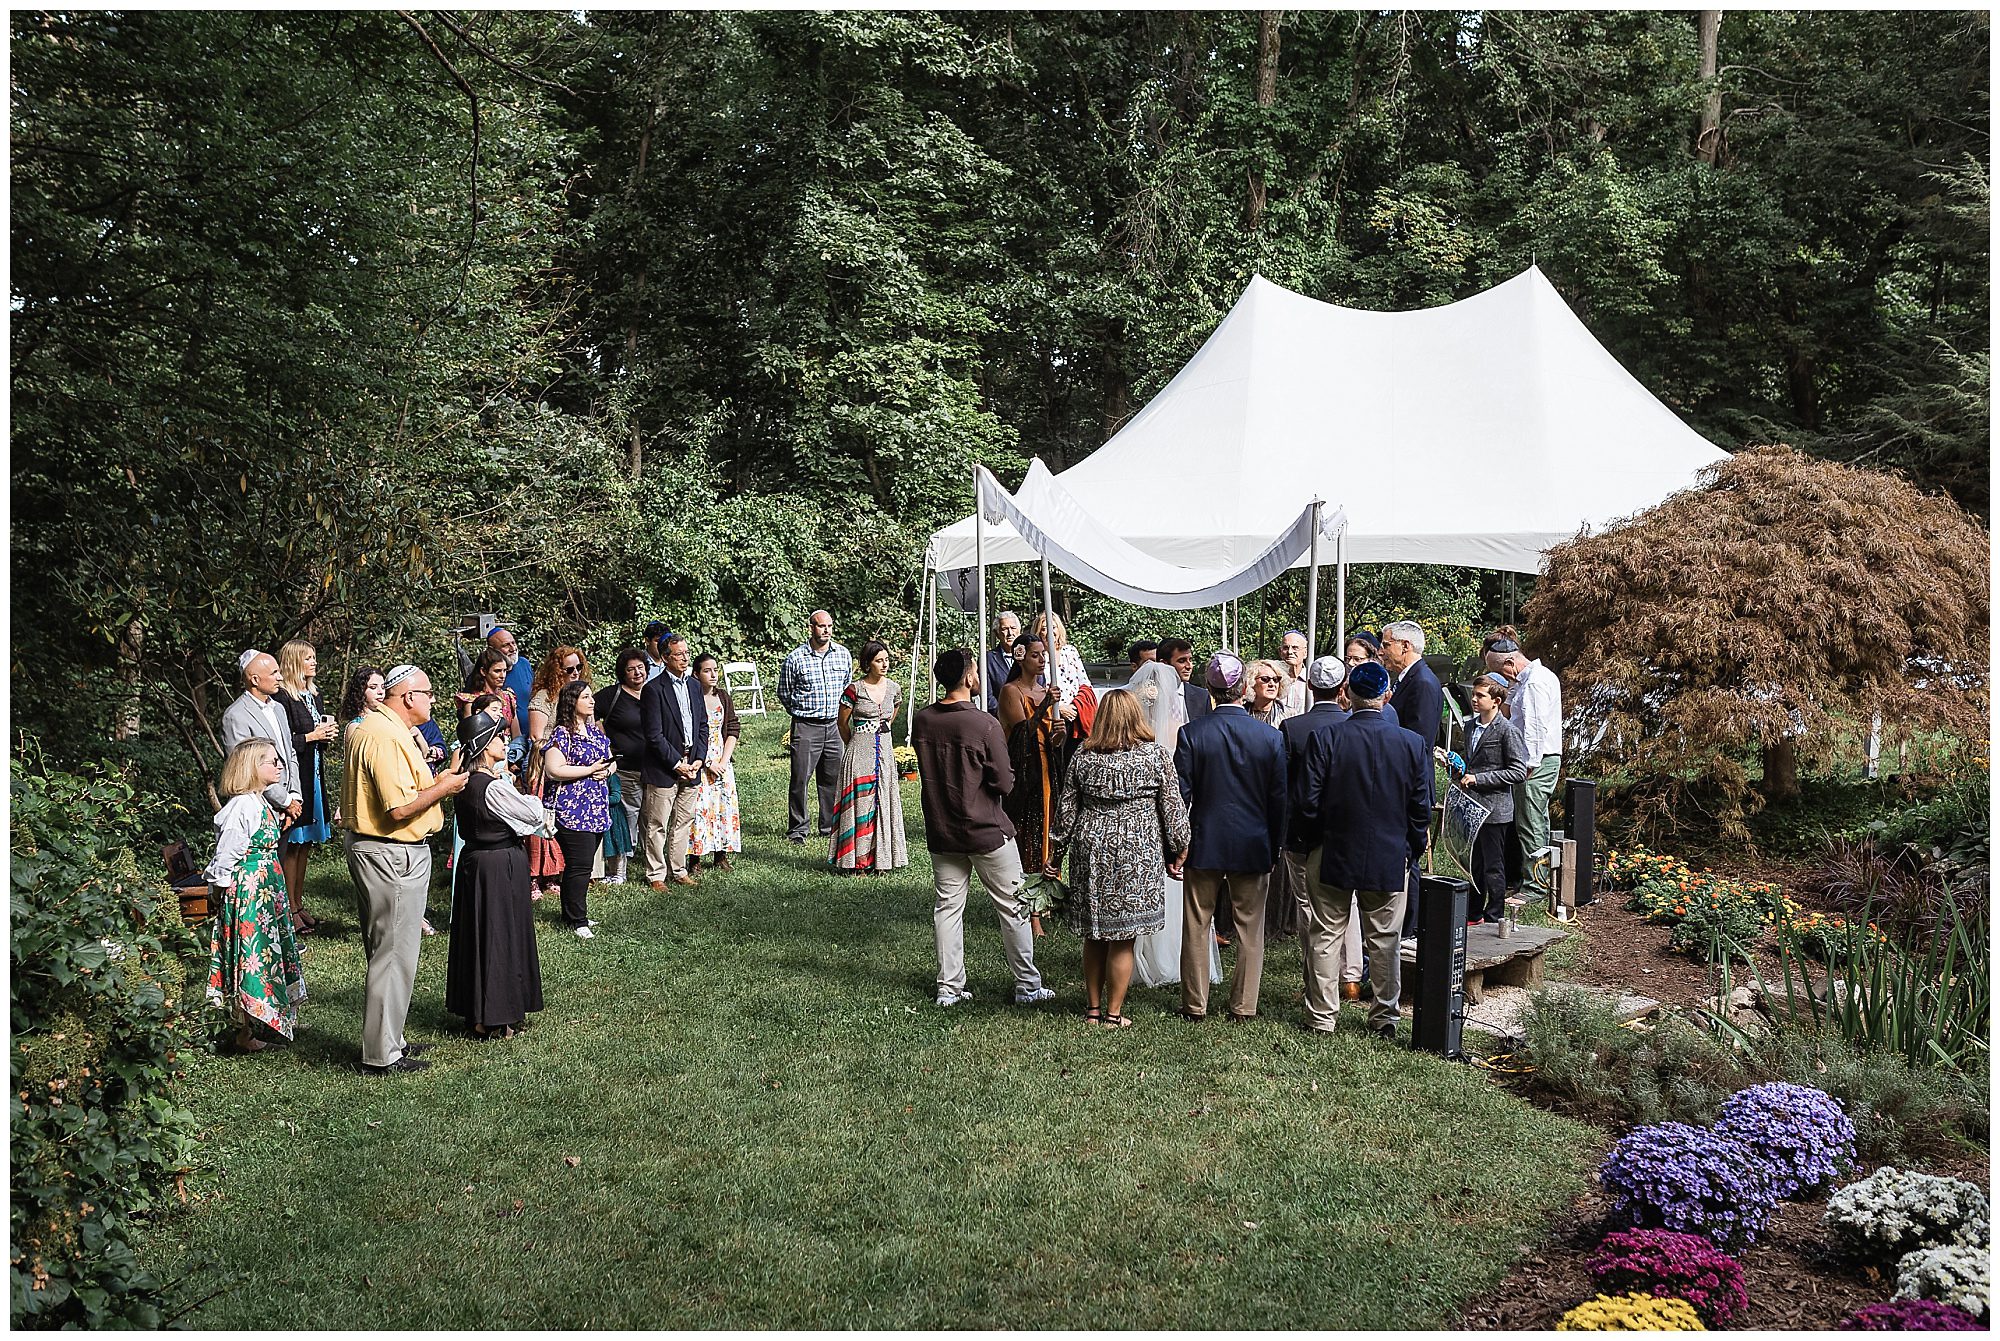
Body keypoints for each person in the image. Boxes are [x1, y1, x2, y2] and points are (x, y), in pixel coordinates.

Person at [343, 663, 469, 1074]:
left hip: (385, 850)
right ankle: (381, 1055)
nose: (433, 699)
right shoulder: (382, 735)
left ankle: (389, 1037)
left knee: (390, 950)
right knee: (393, 953)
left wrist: (440, 777)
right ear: (408, 698)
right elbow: (398, 809)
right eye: (428, 693)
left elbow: (407, 789)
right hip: (391, 851)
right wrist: (445, 788)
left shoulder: (381, 728)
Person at [910, 649, 1053, 1009]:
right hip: (986, 829)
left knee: (947, 908)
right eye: (976, 671)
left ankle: (949, 988)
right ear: (970, 679)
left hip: (943, 830)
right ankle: (1027, 984)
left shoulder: (923, 720)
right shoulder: (983, 724)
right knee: (1014, 905)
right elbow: (1004, 782)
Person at [1295, 660, 1431, 1038]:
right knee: (1385, 938)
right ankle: (1384, 1017)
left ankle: (1322, 1017)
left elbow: (1307, 802)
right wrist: (1412, 847)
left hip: (1333, 848)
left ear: (1346, 695)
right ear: (1386, 695)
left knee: (1326, 933)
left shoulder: (1326, 739)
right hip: (1389, 851)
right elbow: (1421, 806)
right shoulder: (1411, 743)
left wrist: (1314, 841)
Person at [1047, 689, 1189, 1029]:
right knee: (1124, 936)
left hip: (1091, 847)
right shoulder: (1154, 756)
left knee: (1094, 934)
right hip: (1137, 852)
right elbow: (1172, 807)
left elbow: (1066, 810)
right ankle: (1114, 1014)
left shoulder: (1083, 755)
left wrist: (1055, 855)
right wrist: (1180, 847)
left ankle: (1092, 1010)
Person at [1172, 653, 1288, 1022]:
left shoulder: (1192, 733)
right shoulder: (1270, 736)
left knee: (1196, 924)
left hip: (1205, 840)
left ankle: (1195, 1004)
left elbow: (1180, 796)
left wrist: (1177, 845)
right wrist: (1274, 845)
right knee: (1250, 929)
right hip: (1253, 841)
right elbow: (1278, 800)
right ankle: (1244, 1006)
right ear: (1243, 689)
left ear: (1210, 689)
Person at [444, 710, 545, 1039]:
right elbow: (534, 816)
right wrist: (533, 803)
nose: (505, 740)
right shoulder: (492, 787)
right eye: (499, 737)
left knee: (480, 935)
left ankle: (478, 1012)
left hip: (476, 862)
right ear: (486, 746)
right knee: (498, 938)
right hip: (498, 865)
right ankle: (493, 1017)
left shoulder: (464, 782)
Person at [204, 738, 307, 1052]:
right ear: (252, 767)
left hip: (265, 888)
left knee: (265, 954)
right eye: (271, 761)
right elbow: (226, 856)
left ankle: (262, 1017)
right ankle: (243, 1031)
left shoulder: (259, 801)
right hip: (249, 891)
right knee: (250, 955)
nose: (278, 766)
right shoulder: (241, 807)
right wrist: (218, 893)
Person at [1124, 659, 1222, 988]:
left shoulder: (1130, 735)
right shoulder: (1176, 728)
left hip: (1139, 819)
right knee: (1173, 886)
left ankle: (1140, 952)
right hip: (1171, 812)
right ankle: (1173, 955)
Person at [1281, 656, 1363, 1000]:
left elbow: (1284, 785)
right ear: (1343, 688)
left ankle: (1316, 979)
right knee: (1350, 902)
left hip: (1303, 832)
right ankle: (1351, 976)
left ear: (1311, 687)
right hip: (1347, 829)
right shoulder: (1353, 726)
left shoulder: (1293, 728)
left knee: (1308, 906)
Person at [1484, 632, 1564, 901]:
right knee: (1531, 820)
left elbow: (1535, 728)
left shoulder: (1534, 684)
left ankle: (1536, 886)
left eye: (1501, 673)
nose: (1503, 680)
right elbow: (1508, 712)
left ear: (1509, 665)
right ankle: (1531, 878)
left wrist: (1528, 764)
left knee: (1531, 822)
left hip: (1536, 761)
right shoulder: (1526, 680)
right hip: (1535, 759)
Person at [1449, 678, 1530, 925]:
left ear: (1496, 701)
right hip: (1473, 807)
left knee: (1493, 866)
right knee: (1474, 864)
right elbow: (1470, 762)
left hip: (1495, 809)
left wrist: (1479, 779)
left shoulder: (1507, 731)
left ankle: (1495, 914)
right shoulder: (1470, 726)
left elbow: (1518, 771)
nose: (1474, 699)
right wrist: (1456, 768)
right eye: (1473, 695)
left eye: (1480, 696)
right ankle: (1474, 913)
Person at [1379, 619, 1442, 936]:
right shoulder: (1406, 680)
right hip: (1402, 781)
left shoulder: (1423, 683)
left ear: (1405, 646)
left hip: (1409, 783)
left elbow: (1420, 742)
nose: (1381, 650)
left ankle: (1409, 925)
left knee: (1410, 856)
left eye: (1386, 643)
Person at [273, 639, 338, 933]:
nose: (314, 662)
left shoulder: (313, 695)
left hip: (314, 773)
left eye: (314, 657)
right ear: (294, 662)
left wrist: (323, 737)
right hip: (297, 776)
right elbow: (285, 744)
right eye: (308, 658)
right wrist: (312, 737)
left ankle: (298, 902)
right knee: (293, 844)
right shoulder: (284, 698)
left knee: (306, 843)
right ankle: (288, 909)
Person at [543, 679, 614, 937]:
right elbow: (554, 769)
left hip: (596, 807)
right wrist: (589, 770)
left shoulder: (595, 732)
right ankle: (577, 920)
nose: (592, 701)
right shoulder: (562, 734)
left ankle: (572, 912)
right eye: (585, 697)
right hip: (572, 809)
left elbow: (609, 760)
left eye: (591, 696)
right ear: (572, 702)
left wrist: (606, 771)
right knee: (579, 865)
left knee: (583, 865)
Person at [830, 639, 908, 873]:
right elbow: (842, 722)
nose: (884, 664)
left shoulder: (894, 689)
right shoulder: (854, 690)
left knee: (884, 798)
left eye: (886, 659)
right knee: (861, 802)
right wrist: (855, 742)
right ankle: (857, 861)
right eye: (878, 660)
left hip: (884, 750)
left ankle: (882, 859)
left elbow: (892, 714)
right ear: (867, 663)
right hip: (859, 750)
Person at [997, 634, 1067, 891]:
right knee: (1027, 828)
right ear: (1020, 656)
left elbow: (1052, 739)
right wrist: (1044, 706)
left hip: (1048, 769)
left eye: (1043, 654)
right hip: (1024, 774)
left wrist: (1060, 734)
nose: (1041, 660)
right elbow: (1021, 737)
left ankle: (1049, 888)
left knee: (1049, 825)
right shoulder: (1011, 691)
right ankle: (1025, 889)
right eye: (1035, 654)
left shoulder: (1045, 691)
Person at [639, 633, 709, 888]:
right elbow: (654, 735)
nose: (685, 658)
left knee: (684, 820)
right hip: (664, 766)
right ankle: (656, 874)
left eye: (686, 653)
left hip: (693, 764)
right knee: (658, 823)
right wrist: (676, 763)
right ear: (666, 658)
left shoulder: (693, 685)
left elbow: (703, 724)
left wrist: (699, 759)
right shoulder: (653, 689)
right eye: (679, 654)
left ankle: (678, 870)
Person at [777, 610, 851, 844]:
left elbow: (848, 689)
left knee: (833, 778)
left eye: (829, 625)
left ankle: (829, 826)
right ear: (811, 628)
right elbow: (784, 692)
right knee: (800, 779)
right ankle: (798, 829)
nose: (826, 630)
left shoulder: (843, 655)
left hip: (834, 726)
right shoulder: (795, 658)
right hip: (806, 725)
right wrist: (801, 713)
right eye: (821, 626)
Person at [524, 646, 591, 898]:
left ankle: (554, 874)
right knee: (541, 821)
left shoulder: (579, 697)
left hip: (574, 769)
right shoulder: (544, 698)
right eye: (568, 669)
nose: (575, 673)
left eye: (578, 668)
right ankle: (533, 877)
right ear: (556, 671)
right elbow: (536, 738)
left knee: (564, 822)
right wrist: (562, 747)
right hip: (544, 767)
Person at [220, 650, 302, 833]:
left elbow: (290, 753)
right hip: (257, 812)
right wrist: (285, 802)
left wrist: (294, 797)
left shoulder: (279, 709)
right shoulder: (236, 716)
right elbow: (246, 769)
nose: (280, 678)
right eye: (274, 673)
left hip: (285, 809)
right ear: (255, 680)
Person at [596, 648, 651, 884]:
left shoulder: (654, 693)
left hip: (654, 768)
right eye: (631, 669)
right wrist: (603, 741)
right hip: (626, 768)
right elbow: (591, 715)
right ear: (622, 673)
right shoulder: (612, 695)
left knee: (652, 819)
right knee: (628, 816)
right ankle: (620, 869)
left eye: (640, 667)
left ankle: (654, 866)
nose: (637, 673)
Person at [688, 652, 742, 870]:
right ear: (696, 674)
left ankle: (721, 854)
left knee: (722, 805)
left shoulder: (722, 696)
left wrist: (724, 759)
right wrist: (707, 762)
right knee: (700, 808)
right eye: (707, 670)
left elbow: (733, 728)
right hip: (699, 759)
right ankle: (695, 857)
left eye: (715, 670)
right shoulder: (691, 698)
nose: (712, 674)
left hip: (722, 758)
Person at [475, 624, 536, 737]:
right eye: (506, 645)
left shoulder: (524, 664)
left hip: (529, 735)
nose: (513, 648)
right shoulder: (484, 677)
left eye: (513, 643)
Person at [456, 647, 519, 740]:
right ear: (483, 671)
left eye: (504, 671)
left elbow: (517, 734)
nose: (502, 676)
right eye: (497, 671)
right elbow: (469, 736)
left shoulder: (508, 696)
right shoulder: (471, 700)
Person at [1157, 637, 1209, 725]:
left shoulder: (1202, 696)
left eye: (1190, 660)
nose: (1189, 666)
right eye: (1182, 661)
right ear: (1164, 664)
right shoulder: (1149, 695)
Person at [983, 611, 1021, 713]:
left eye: (1013, 628)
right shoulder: (988, 659)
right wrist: (1006, 716)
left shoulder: (1030, 656)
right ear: (997, 634)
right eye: (1004, 629)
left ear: (1019, 630)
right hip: (1001, 721)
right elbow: (987, 697)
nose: (1010, 633)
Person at [1244, 658, 1292, 728]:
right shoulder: (1241, 712)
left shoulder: (1289, 714)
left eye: (1276, 679)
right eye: (1265, 679)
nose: (1272, 684)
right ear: (1252, 682)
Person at [1277, 630, 1310, 716]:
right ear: (1280, 652)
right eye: (1285, 648)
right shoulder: (1272, 680)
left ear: (1305, 653)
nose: (1290, 652)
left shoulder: (1311, 680)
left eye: (1295, 648)